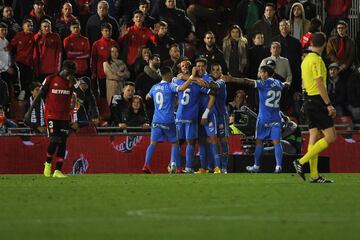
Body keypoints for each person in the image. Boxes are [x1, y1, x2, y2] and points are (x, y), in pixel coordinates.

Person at [293, 32, 336, 183]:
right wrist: (328, 104)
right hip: (317, 101)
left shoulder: (305, 60)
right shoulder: (317, 60)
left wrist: (306, 101)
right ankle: (301, 162)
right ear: (324, 44)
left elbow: (303, 82)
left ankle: (314, 175)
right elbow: (319, 84)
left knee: (314, 137)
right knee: (331, 137)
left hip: (308, 100)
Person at [24, 60, 78, 178]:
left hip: (64, 116)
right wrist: (29, 111)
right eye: (70, 72)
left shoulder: (72, 82)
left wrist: (74, 86)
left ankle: (58, 171)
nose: (71, 74)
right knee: (54, 140)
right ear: (63, 69)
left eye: (73, 72)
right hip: (51, 115)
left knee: (63, 141)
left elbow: (81, 97)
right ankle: (47, 164)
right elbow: (39, 95)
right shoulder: (50, 79)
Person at [142, 66, 194, 173]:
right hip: (168, 120)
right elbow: (181, 88)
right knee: (175, 143)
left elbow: (147, 96)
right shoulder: (170, 86)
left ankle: (146, 165)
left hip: (156, 120)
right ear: (168, 74)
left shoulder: (155, 87)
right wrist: (191, 78)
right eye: (171, 74)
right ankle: (174, 166)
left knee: (153, 143)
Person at [238, 64, 288, 173]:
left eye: (261, 72)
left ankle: (256, 166)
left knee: (259, 141)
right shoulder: (279, 83)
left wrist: (232, 79)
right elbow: (285, 84)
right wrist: (287, 83)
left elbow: (247, 81)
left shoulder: (263, 83)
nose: (260, 74)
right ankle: (278, 166)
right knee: (277, 143)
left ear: (265, 73)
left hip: (264, 118)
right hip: (276, 118)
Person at [90, 23, 118, 98]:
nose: (108, 33)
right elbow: (93, 59)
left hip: (113, 74)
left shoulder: (114, 43)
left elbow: (117, 59)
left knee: (113, 94)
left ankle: (112, 109)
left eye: (109, 31)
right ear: (101, 31)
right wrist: (93, 72)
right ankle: (103, 109)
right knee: (102, 94)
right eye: (105, 31)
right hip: (101, 74)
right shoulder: (96, 44)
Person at [10, 19, 35, 99]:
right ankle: (20, 96)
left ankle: (28, 98)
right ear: (23, 26)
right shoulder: (18, 35)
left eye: (31, 26)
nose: (30, 27)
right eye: (28, 25)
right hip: (20, 62)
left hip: (30, 63)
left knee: (29, 82)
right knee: (21, 81)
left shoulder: (34, 36)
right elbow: (11, 46)